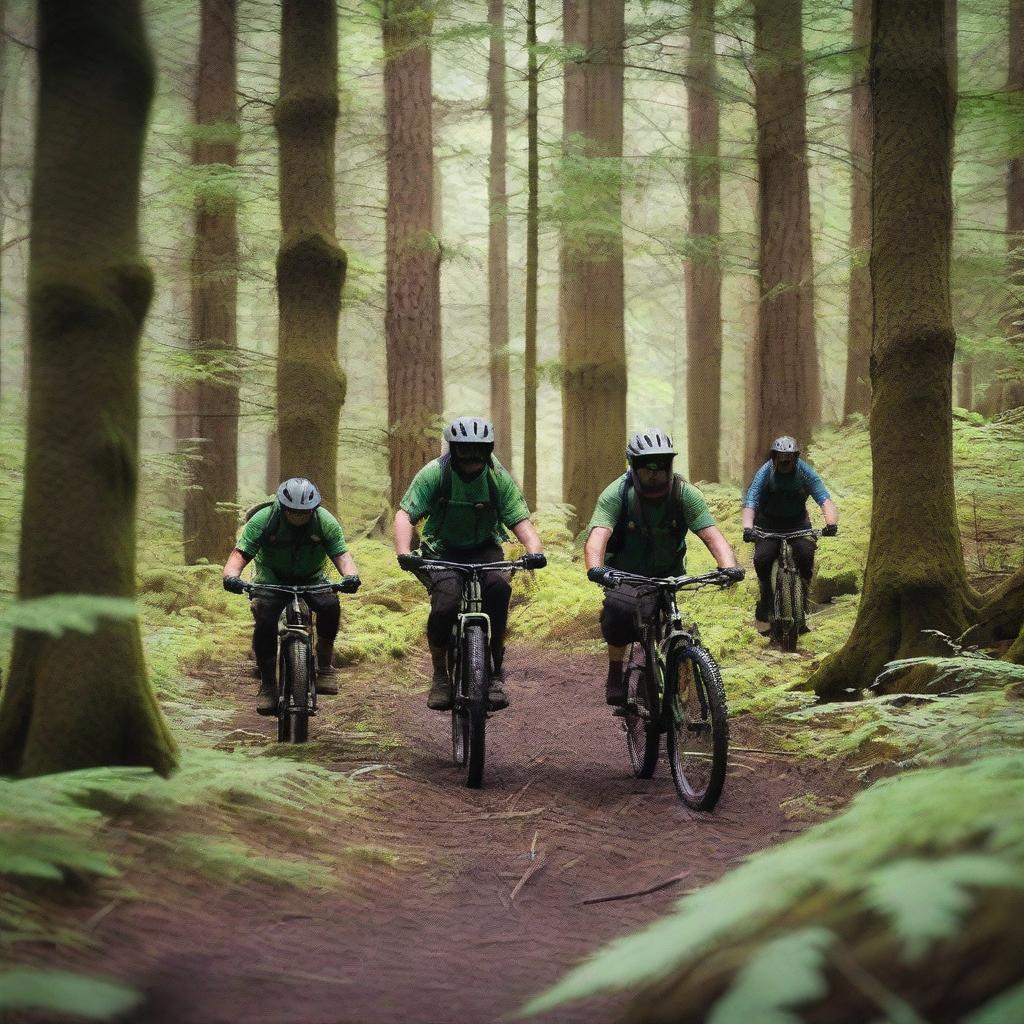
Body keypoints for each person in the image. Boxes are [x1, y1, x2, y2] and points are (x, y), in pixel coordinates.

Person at [394, 416, 546, 712]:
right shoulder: (435, 474)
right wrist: (404, 552)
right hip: (442, 551)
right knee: (445, 605)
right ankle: (440, 676)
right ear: (453, 449)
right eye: (465, 450)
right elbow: (405, 514)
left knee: (499, 590)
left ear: (488, 450)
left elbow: (519, 520)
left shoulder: (496, 477)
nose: (471, 457)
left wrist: (534, 550)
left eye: (478, 450)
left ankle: (494, 673)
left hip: (485, 549)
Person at [584, 428, 743, 706]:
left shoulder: (685, 493)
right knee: (619, 614)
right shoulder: (617, 494)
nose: (655, 472)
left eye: (661, 464)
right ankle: (615, 672)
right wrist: (596, 568)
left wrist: (728, 567)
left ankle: (673, 682)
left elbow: (711, 535)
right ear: (634, 466)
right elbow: (598, 535)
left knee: (670, 623)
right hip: (626, 574)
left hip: (669, 573)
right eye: (647, 466)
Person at [222, 477, 360, 715]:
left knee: (330, 606)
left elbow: (341, 555)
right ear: (282, 508)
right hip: (271, 578)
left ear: (313, 509)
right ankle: (267, 684)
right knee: (264, 619)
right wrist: (231, 576)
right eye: (292, 512)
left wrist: (350, 576)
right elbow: (240, 554)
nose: (298, 516)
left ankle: (325, 666)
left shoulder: (325, 521)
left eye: (304, 512)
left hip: (313, 578)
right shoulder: (264, 519)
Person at [741, 436, 838, 624]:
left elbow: (823, 497)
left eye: (789, 457)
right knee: (762, 558)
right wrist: (748, 528)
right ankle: (766, 596)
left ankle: (803, 595)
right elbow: (751, 500)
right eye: (780, 456)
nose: (784, 461)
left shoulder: (804, 472)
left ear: (796, 457)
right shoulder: (765, 472)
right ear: (774, 456)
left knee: (806, 553)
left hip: (797, 524)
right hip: (767, 525)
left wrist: (831, 523)